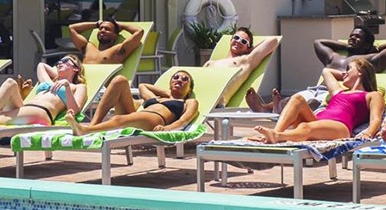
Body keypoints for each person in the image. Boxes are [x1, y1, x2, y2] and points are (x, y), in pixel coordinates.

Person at [246, 25, 386, 113]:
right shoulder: (334, 57)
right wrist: (345, 44)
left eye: (358, 37)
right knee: (296, 97)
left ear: (367, 45)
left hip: (336, 95)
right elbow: (318, 42)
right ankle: (268, 108)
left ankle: (276, 109)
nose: (353, 38)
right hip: (317, 88)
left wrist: (375, 48)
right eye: (351, 35)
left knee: (307, 102)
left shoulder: (370, 60)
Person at [249, 58, 384, 144]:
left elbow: (376, 119)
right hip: (317, 121)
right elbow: (326, 71)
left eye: (349, 69)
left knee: (305, 127)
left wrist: (368, 133)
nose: (344, 73)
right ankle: (275, 134)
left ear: (361, 72)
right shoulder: (339, 91)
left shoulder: (372, 95)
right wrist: (347, 76)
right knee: (297, 99)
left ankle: (278, 136)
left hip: (340, 126)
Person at [0, 54, 87, 127]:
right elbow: (41, 65)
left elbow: (75, 110)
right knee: (10, 82)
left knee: (3, 117)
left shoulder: (78, 87)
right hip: (26, 108)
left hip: (42, 113)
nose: (60, 63)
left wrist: (67, 85)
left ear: (76, 68)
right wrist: (58, 76)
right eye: (59, 62)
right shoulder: (50, 83)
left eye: (65, 61)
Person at [68, 70, 198, 135]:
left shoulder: (189, 101)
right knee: (120, 80)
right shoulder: (158, 98)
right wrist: (169, 93)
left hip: (156, 121)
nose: (179, 80)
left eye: (184, 79)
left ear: (190, 88)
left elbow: (183, 121)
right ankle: (93, 124)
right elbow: (143, 86)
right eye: (175, 77)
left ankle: (87, 130)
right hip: (139, 115)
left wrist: (166, 128)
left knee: (119, 118)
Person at [202, 26, 278, 103]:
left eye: (244, 41)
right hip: (201, 97)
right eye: (236, 37)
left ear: (248, 48)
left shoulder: (245, 61)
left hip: (216, 102)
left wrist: (250, 50)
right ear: (231, 40)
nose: (238, 41)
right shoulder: (210, 63)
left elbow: (273, 41)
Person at [67, 18, 144, 65]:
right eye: (100, 28)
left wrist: (121, 26)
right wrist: (96, 24)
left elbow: (139, 32)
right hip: (83, 83)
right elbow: (72, 28)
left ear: (115, 35)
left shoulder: (118, 51)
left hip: (102, 86)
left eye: (107, 29)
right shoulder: (88, 47)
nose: (102, 31)